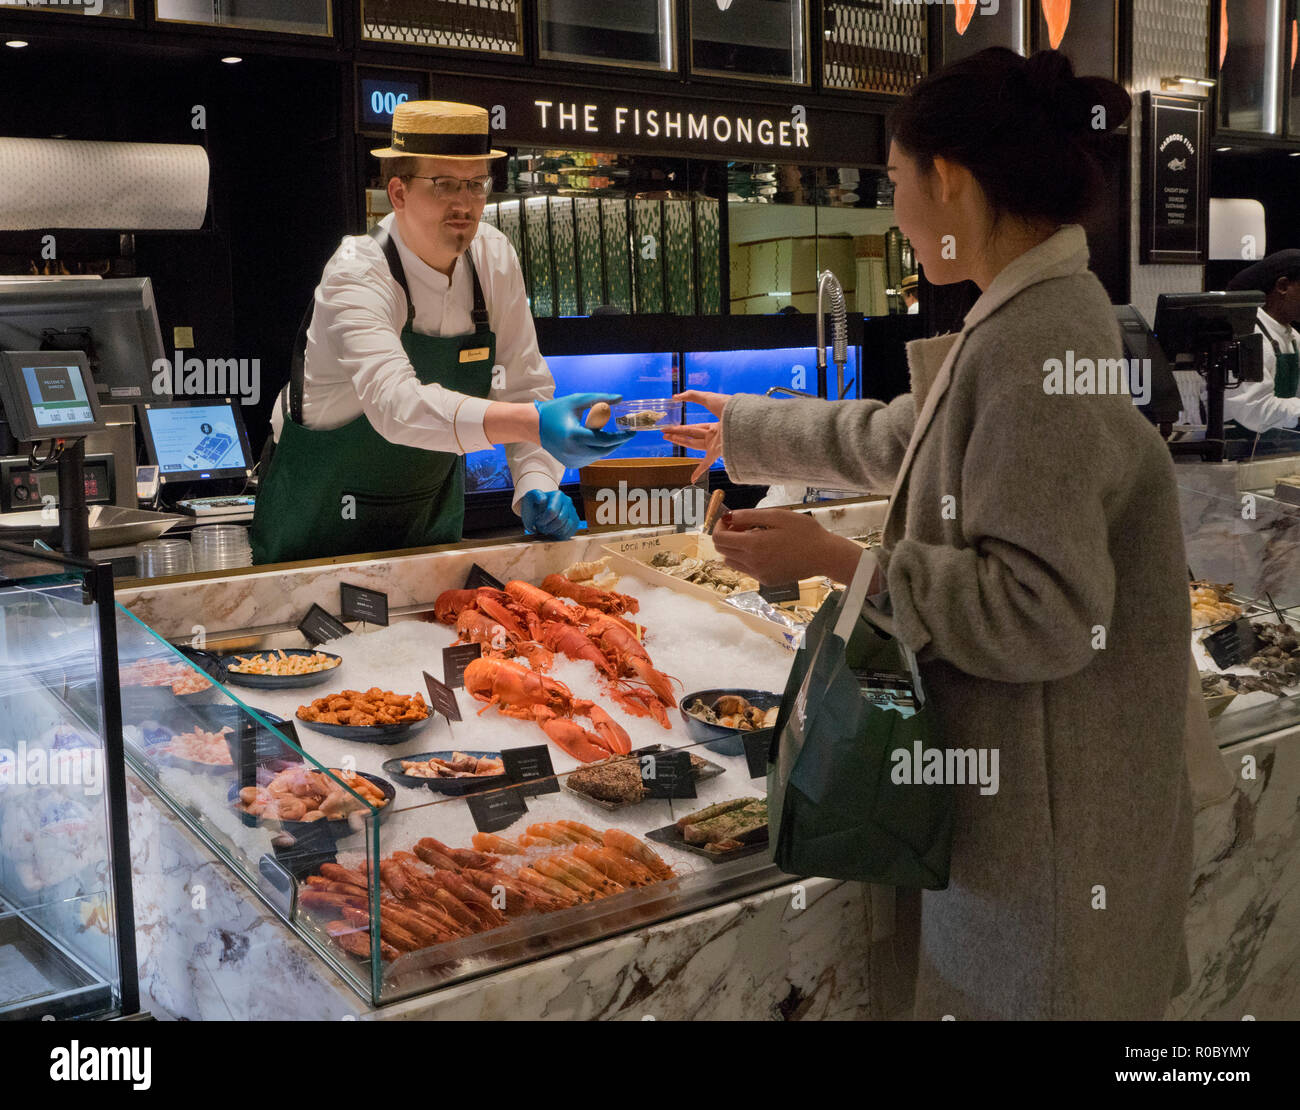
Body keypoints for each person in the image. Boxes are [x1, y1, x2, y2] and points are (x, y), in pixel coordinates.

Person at [664, 48, 1194, 1020]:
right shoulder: (1023, 312)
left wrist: (838, 562)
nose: (897, 209)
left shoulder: (1039, 334)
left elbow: (1047, 611)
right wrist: (739, 426)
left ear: (946, 179)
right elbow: (909, 439)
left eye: (896, 182)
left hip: (1049, 855)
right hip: (1031, 832)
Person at [251, 100, 631, 565]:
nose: (463, 204)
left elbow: (522, 386)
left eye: (475, 185)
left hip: (427, 530)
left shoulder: (493, 257)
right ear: (398, 192)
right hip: (316, 532)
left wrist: (536, 482)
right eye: (444, 184)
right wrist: (535, 421)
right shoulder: (356, 271)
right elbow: (395, 405)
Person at [1219, 249, 1300, 445]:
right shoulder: (1245, 335)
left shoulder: (1294, 337)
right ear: (1282, 286)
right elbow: (1254, 410)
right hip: (1235, 457)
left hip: (1277, 453)